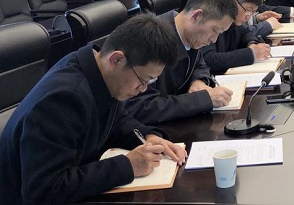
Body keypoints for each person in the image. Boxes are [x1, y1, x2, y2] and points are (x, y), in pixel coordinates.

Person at [0, 14, 187, 204]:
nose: (143, 89)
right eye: (143, 80)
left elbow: (116, 119)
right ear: (116, 59)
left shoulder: (99, 71)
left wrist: (147, 136)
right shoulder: (63, 99)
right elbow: (45, 190)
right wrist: (128, 166)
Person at [125, 0, 238, 124]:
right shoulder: (150, 41)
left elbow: (200, 65)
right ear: (196, 16)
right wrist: (201, 100)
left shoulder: (190, 36)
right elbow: (140, 107)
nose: (214, 40)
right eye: (214, 30)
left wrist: (199, 81)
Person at [202, 0, 272, 75]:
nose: (248, 16)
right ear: (233, 1)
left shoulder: (236, 20)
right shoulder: (212, 18)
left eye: (253, 12)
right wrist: (251, 54)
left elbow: (247, 32)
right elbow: (209, 59)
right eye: (248, 10)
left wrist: (252, 44)